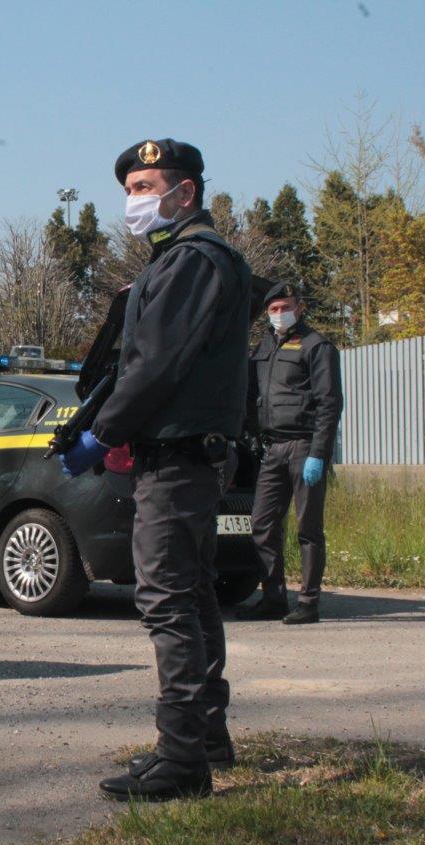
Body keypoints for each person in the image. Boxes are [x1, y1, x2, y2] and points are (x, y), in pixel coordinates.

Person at [59, 138, 252, 801]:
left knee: (167, 599)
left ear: (185, 193)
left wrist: (101, 433)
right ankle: (205, 735)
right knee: (194, 593)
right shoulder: (177, 262)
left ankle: (182, 759)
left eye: (146, 186)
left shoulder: (194, 262)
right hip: (183, 456)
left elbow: (155, 365)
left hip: (178, 458)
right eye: (131, 188)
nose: (134, 200)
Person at [236, 283, 343, 625]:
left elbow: (330, 403)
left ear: (300, 307)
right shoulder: (264, 346)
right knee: (262, 523)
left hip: (304, 447)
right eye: (273, 309)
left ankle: (309, 602)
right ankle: (273, 597)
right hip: (273, 449)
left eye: (285, 306)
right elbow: (251, 394)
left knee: (308, 527)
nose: (279, 314)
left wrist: (319, 453)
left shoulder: (317, 346)